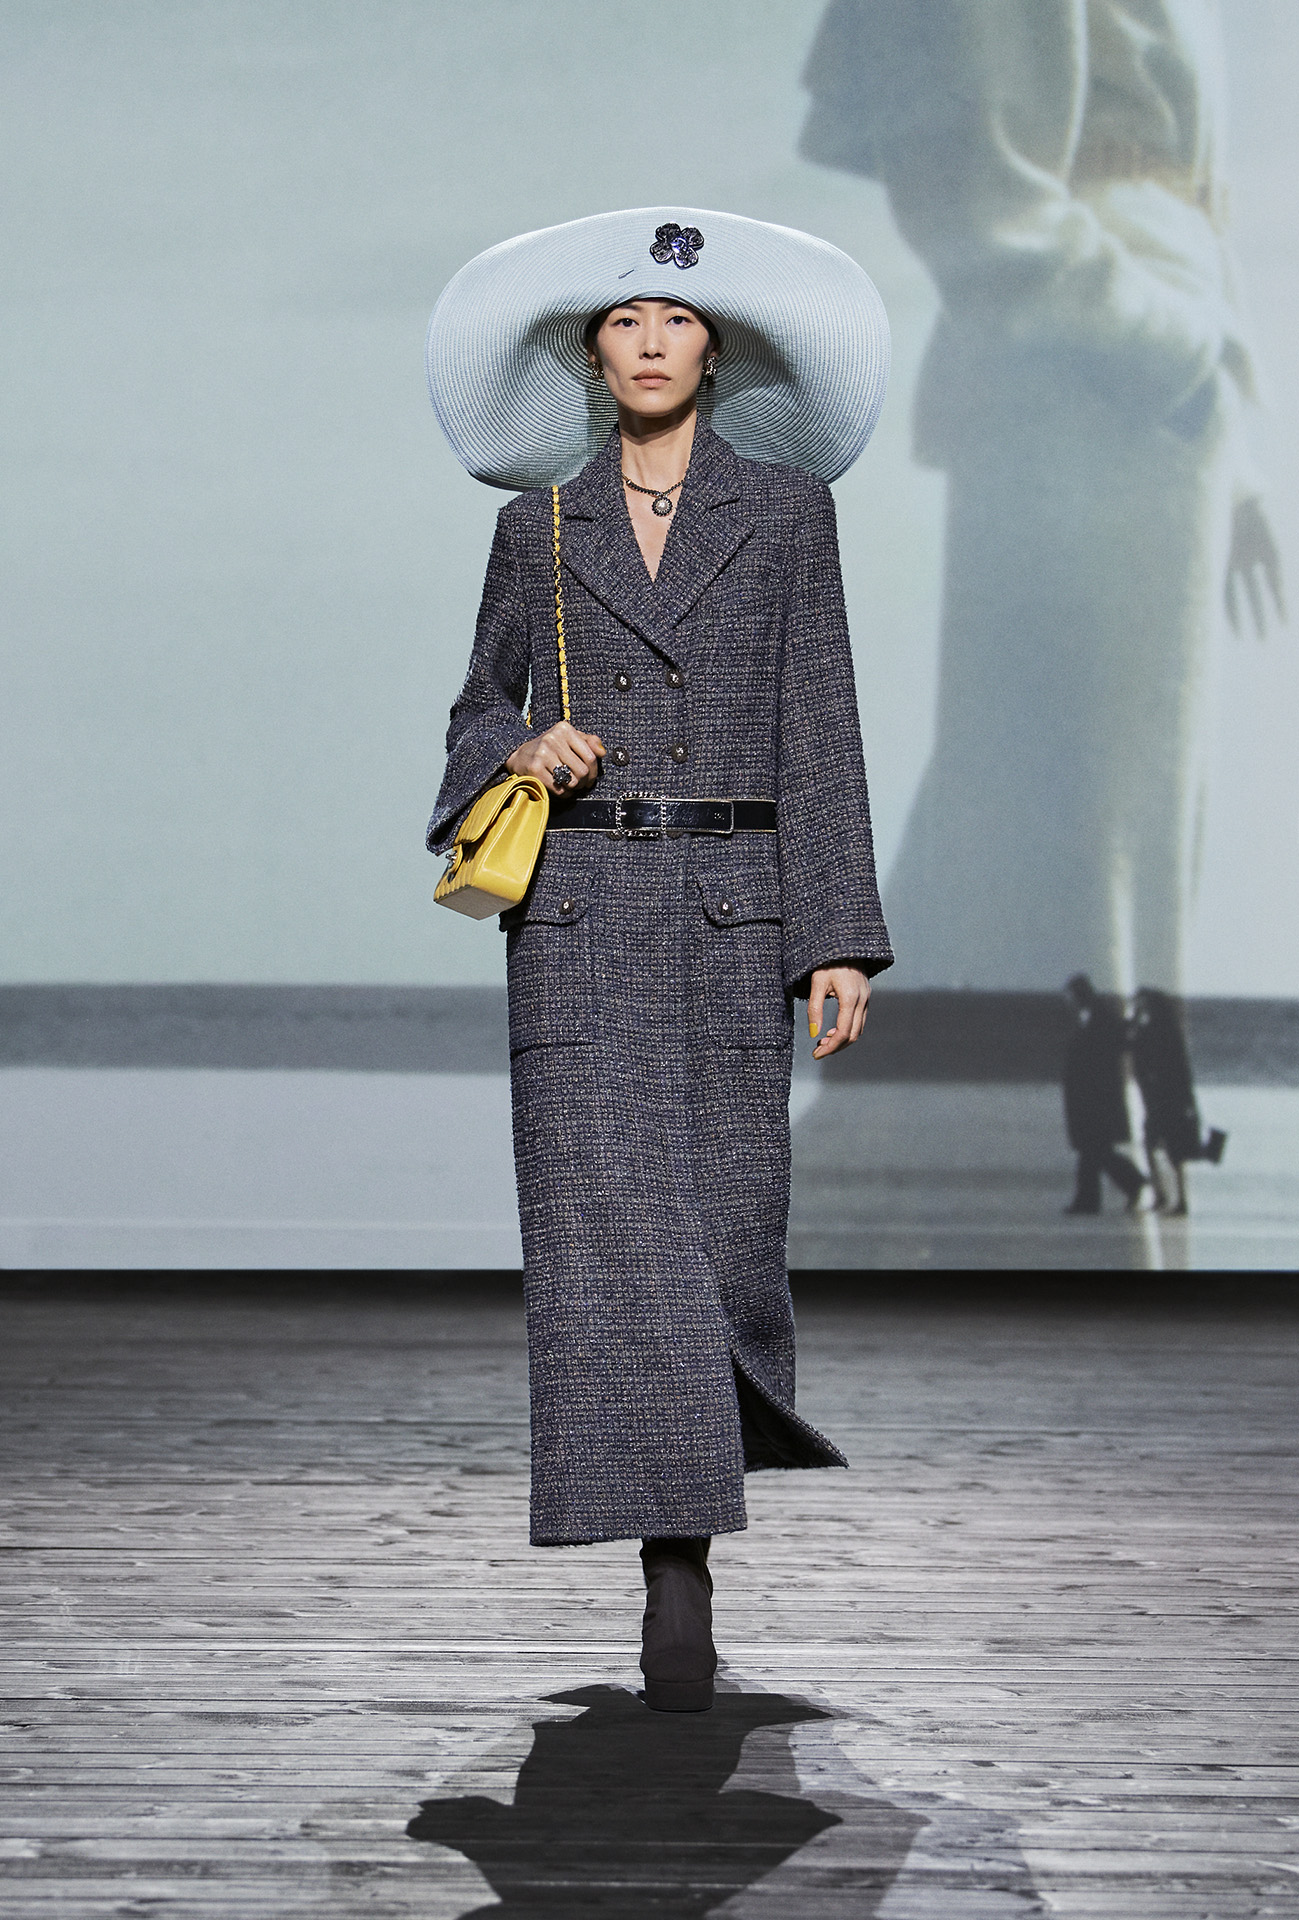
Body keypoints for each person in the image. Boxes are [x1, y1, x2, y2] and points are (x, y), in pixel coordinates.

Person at [425, 209, 893, 1713]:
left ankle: (682, 1535)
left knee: (716, 1242)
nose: (648, 342)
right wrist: (522, 746)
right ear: (589, 352)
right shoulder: (538, 527)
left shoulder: (789, 514)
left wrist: (834, 935)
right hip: (575, 918)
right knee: (605, 1245)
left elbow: (818, 720)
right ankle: (672, 1573)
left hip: (727, 915)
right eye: (623, 320)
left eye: (675, 320)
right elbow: (472, 710)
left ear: (714, 348)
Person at [800, 0, 1284, 994]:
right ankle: (1044, 1067)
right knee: (1063, 792)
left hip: (1153, 376)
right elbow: (977, 188)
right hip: (1087, 365)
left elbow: (1188, 199)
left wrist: (1226, 445)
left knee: (1128, 797)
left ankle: (1099, 1064)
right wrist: (1164, 354)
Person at [1129, 986, 1227, 1215]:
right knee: (1168, 1149)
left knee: (1168, 1149)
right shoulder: (1164, 1030)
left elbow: (1173, 1068)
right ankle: (1170, 1197)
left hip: (1164, 1099)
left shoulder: (1156, 1031)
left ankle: (1168, 1197)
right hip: (1165, 1099)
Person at [1061, 973, 1146, 1215]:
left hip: (1097, 1098)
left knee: (1093, 1151)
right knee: (1096, 1152)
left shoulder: (1100, 1016)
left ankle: (1091, 1199)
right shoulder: (1094, 1015)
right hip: (1091, 1096)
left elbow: (1110, 1046)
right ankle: (1120, 1187)